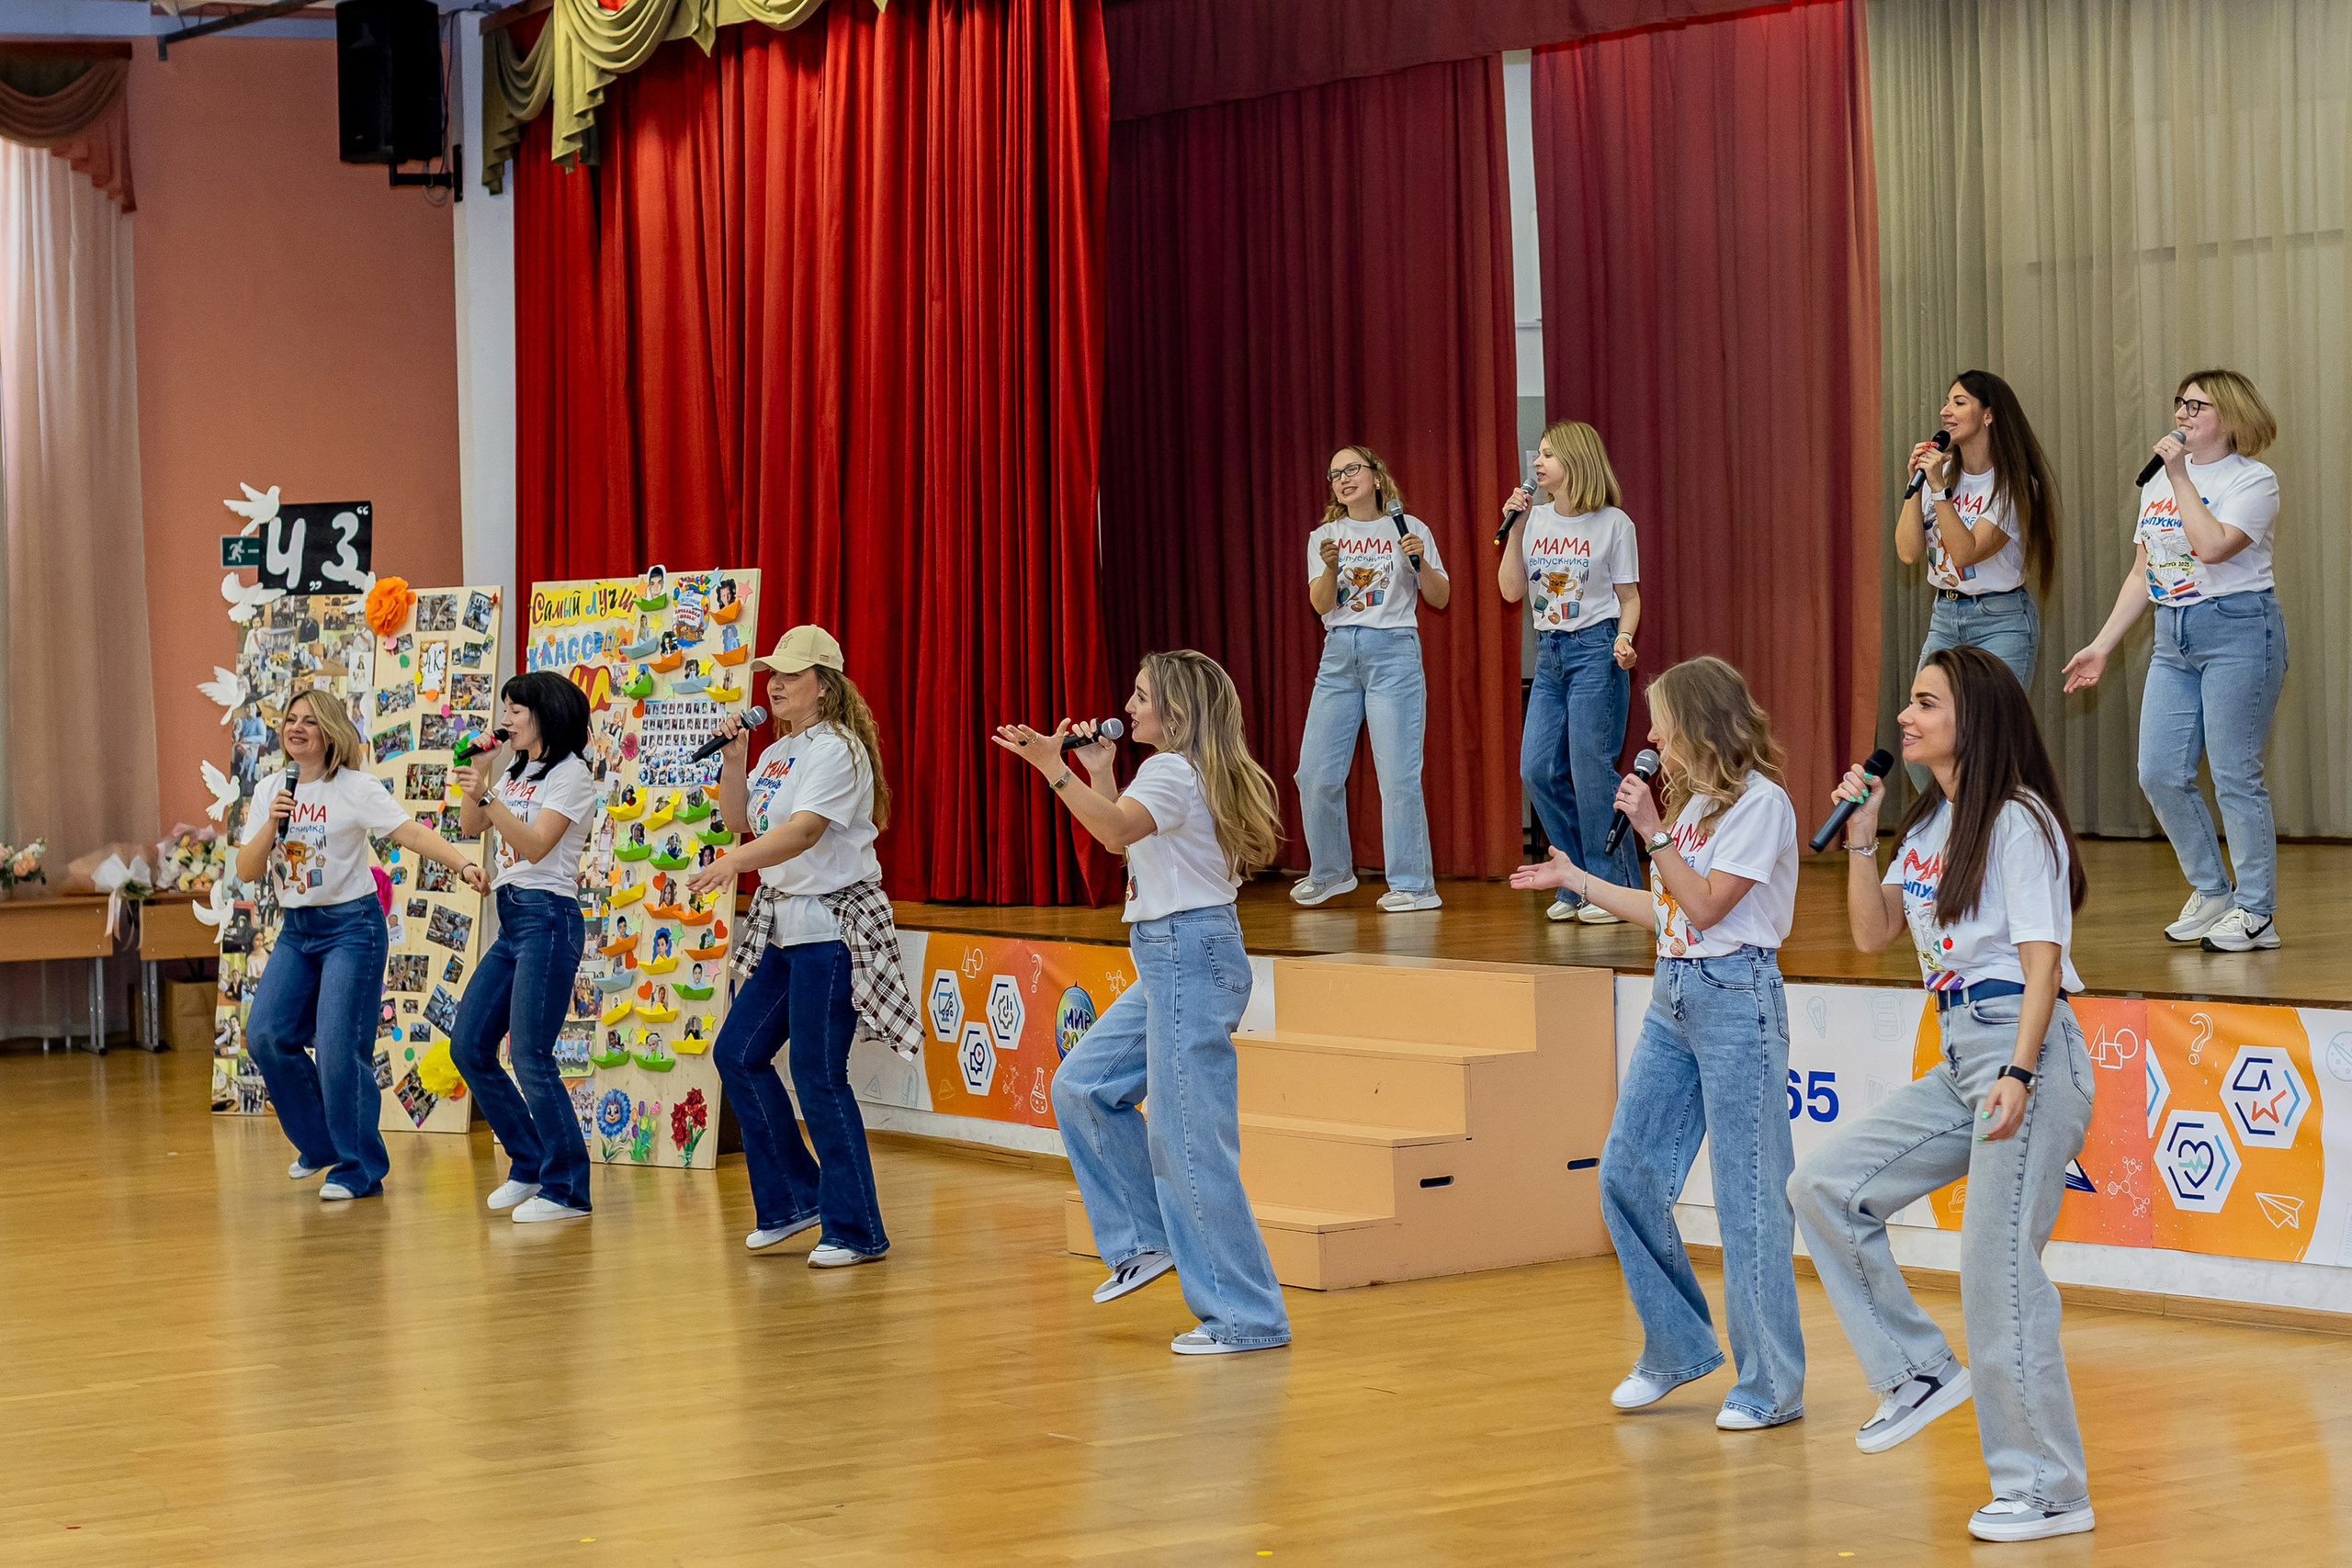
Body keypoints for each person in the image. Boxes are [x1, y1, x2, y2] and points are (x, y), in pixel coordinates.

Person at [1791, 646, 2096, 1544]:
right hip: (1959, 1047)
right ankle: (1916, 1371)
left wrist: (2019, 1073)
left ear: (1974, 717)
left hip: (2021, 1047)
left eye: (1924, 703)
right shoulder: (1927, 830)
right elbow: (1870, 933)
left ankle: (2047, 1487)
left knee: (1995, 1276)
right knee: (1825, 1188)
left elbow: (2042, 964)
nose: (1903, 718)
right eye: (1907, 703)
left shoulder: (2016, 821)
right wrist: (1859, 833)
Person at [1510, 657, 1804, 1427]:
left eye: (1661, 723)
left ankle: (1770, 1386)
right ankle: (1675, 1347)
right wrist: (1577, 877)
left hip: (1739, 998)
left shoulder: (1762, 805)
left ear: (1699, 722)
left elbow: (1706, 905)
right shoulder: (1697, 808)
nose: (1652, 739)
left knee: (1748, 1200)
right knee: (1626, 1174)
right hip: (1674, 994)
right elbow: (1669, 912)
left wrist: (1652, 829)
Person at [995, 650, 1291, 1356]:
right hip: (1174, 954)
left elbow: (1115, 831)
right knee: (1084, 1085)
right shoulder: (1182, 772)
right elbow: (1133, 842)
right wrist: (1097, 771)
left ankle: (1246, 1314)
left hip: (1188, 951)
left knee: (1189, 1139)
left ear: (1176, 712)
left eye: (1141, 696)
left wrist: (1053, 766)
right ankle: (1144, 1239)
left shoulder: (1171, 770)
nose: (1127, 708)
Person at [688, 626, 921, 1267]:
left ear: (827, 683)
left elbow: (803, 832)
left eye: (791, 674)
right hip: (787, 929)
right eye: (773, 674)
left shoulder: (838, 749)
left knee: (820, 1076)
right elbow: (741, 819)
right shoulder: (777, 752)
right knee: (736, 1051)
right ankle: (796, 1197)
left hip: (833, 931)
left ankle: (855, 1228)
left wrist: (729, 863)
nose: (776, 684)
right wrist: (735, 762)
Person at [2063, 369, 2286, 952]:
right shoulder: (2158, 484)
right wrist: (2103, 644)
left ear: (2230, 418)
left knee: (2236, 775)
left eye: (2197, 406)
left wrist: (2181, 474)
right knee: (2158, 771)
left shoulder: (2254, 480)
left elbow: (2213, 546)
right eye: (2180, 404)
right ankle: (2212, 890)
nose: (2183, 415)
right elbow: (2145, 570)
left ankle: (2256, 911)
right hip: (2173, 633)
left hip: (2239, 629)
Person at [236, 687, 489, 1201]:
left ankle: (359, 1168)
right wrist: (272, 823)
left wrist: (462, 864)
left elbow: (410, 834)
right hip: (298, 929)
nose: (297, 727)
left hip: (351, 929)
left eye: (309, 720)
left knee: (337, 1049)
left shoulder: (355, 787)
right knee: (264, 1034)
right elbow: (246, 869)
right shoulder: (270, 791)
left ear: (330, 732)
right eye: (291, 720)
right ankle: (322, 1145)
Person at [452, 671, 604, 1224]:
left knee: (530, 1054)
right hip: (512, 920)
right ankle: (529, 1161)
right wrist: (484, 779)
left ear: (546, 714)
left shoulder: (571, 775)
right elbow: (474, 827)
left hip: (549, 917)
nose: (507, 719)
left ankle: (567, 1189)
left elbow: (538, 847)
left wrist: (490, 795)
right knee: (468, 1046)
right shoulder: (516, 770)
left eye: (516, 710)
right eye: (506, 710)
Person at [1292, 445, 1450, 912]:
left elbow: (1440, 597)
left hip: (1393, 652)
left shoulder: (1410, 528)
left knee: (1397, 773)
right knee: (1314, 772)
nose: (1343, 479)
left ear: (1377, 477)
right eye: (1335, 473)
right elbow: (1321, 604)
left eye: (1352, 469)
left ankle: (1415, 886)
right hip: (1339, 654)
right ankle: (1332, 872)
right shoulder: (1325, 536)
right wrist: (1330, 567)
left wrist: (1419, 561)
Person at [1498, 420, 1642, 923]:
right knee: (1535, 768)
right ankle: (1576, 879)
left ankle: (1613, 886)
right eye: (1537, 454)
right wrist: (1516, 528)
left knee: (1591, 771)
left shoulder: (1614, 524)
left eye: (1548, 455)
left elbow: (1629, 598)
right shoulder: (1533, 520)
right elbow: (1512, 591)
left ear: (1577, 461)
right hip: (1551, 655)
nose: (1537, 464)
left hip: (1596, 650)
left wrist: (1624, 639)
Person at [1895, 370, 2062, 686]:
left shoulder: (2015, 485)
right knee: (1929, 724)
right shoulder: (1940, 473)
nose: (1945, 411)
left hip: (2000, 621)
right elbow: (1907, 552)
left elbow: (1965, 552)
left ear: (1988, 415)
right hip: (1945, 615)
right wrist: (1915, 486)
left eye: (1959, 403)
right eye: (1947, 403)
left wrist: (1940, 490)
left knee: (1995, 730)